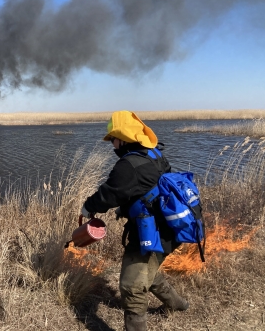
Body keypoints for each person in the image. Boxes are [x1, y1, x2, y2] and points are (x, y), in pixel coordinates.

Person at [81, 110, 189, 331]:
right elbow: (150, 188)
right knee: (147, 272)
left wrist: (88, 207)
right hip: (166, 228)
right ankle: (178, 305)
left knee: (131, 287)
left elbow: (107, 194)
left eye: (113, 139)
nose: (112, 144)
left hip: (153, 234)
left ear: (123, 138)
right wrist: (129, 207)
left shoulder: (128, 165)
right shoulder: (153, 153)